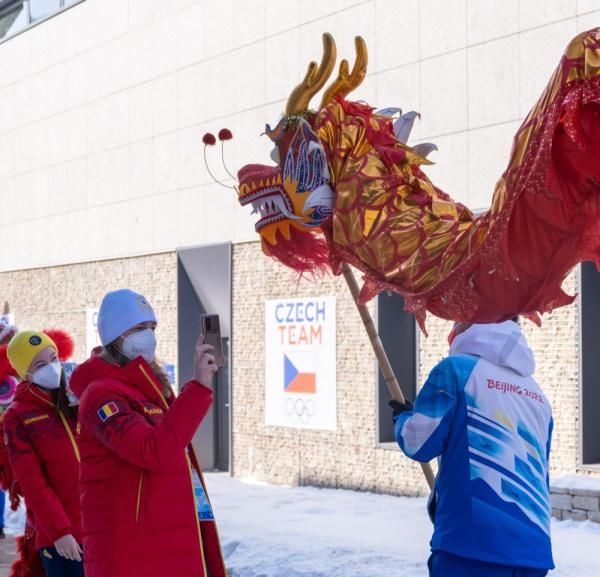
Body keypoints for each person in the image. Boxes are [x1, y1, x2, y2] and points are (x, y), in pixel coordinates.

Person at [69, 289, 227, 577]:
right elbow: (152, 451)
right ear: (115, 336)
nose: (149, 335)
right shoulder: (100, 395)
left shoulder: (147, 387)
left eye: (152, 327)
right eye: (140, 328)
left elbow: (172, 441)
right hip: (131, 551)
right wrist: (199, 388)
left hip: (164, 540)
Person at [391, 319, 554, 577]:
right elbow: (541, 475)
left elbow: (418, 442)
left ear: (466, 328)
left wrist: (402, 418)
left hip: (471, 546)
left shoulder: (456, 371)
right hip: (533, 550)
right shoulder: (537, 395)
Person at [4, 329, 83, 577]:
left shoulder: (75, 400)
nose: (51, 367)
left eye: (53, 358)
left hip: (101, 528)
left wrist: (83, 406)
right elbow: (32, 483)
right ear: (23, 373)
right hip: (61, 539)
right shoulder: (17, 416)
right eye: (39, 364)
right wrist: (60, 532)